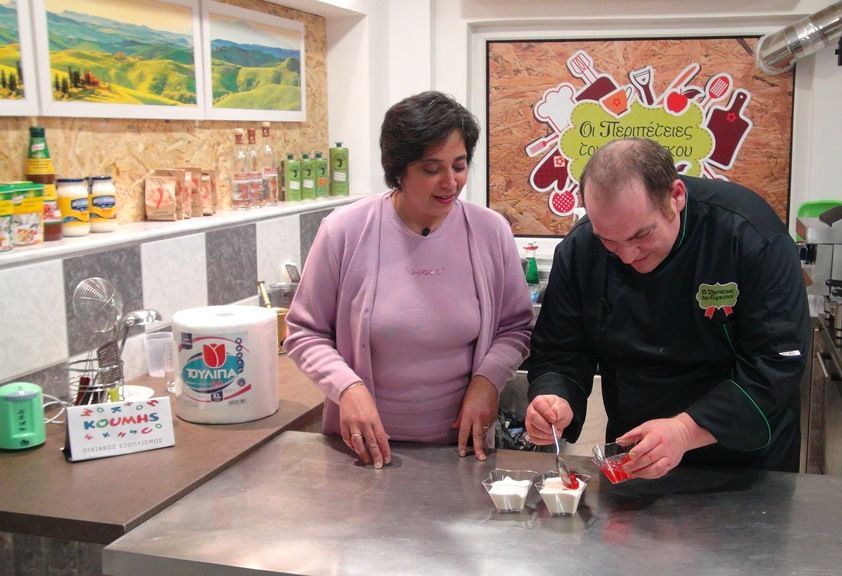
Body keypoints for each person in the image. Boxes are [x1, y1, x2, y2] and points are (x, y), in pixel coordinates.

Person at [525, 138, 810, 477]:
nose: (627, 256)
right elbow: (560, 350)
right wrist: (555, 398)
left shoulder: (748, 235)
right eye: (609, 241)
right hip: (637, 456)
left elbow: (776, 365)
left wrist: (685, 431)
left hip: (745, 467)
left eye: (641, 236)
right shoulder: (581, 248)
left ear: (675, 196)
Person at [285, 91, 533, 468]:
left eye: (459, 165)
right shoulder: (344, 231)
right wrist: (346, 387)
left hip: (463, 450)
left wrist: (488, 380)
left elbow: (515, 327)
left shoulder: (490, 231)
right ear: (398, 170)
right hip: (362, 453)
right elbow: (305, 332)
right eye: (431, 169)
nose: (450, 182)